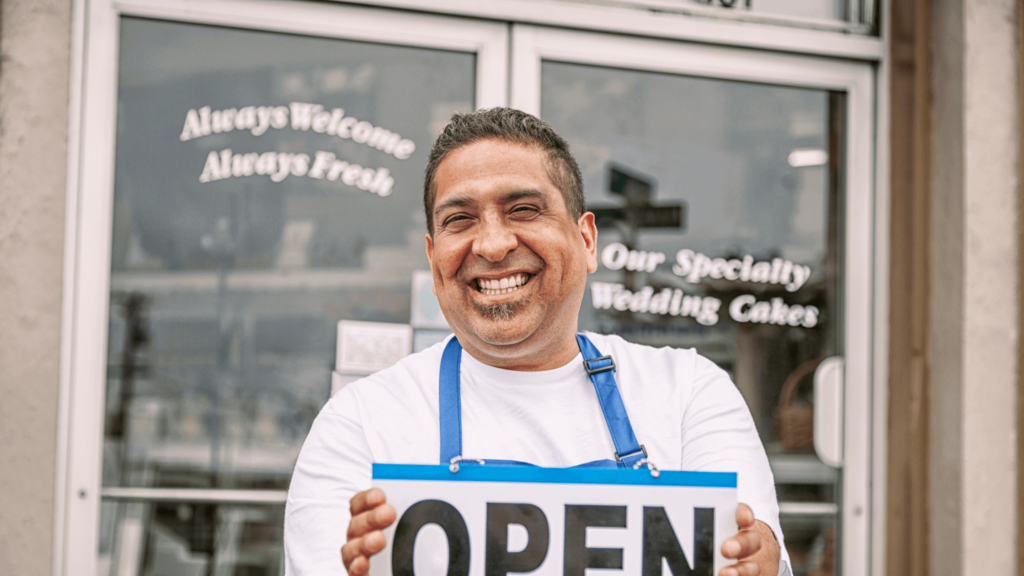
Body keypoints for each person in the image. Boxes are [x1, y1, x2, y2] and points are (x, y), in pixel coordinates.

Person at [284, 108, 790, 576]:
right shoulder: (359, 426)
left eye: (524, 209)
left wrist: (756, 561)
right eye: (459, 220)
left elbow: (750, 547)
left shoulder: (688, 392)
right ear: (434, 258)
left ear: (587, 241)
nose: (493, 244)